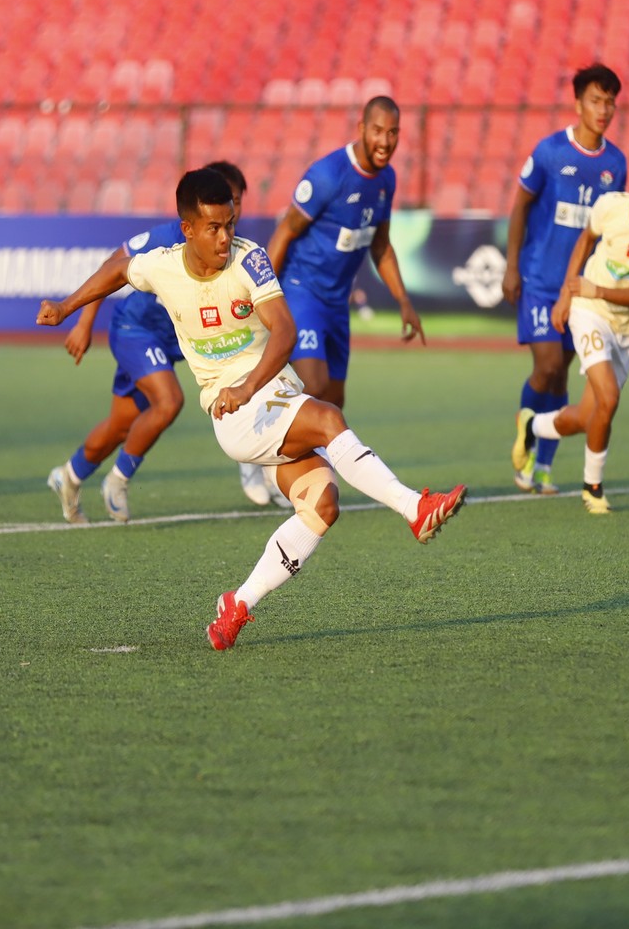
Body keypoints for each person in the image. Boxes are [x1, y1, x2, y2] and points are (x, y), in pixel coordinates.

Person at [37, 167, 466, 651]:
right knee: (328, 418)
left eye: (230, 224)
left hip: (266, 396)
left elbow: (283, 331)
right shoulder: (162, 266)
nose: (225, 237)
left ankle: (235, 607)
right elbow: (119, 269)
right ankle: (414, 508)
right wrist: (67, 306)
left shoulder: (250, 260)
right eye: (214, 228)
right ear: (188, 230)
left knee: (322, 505)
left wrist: (251, 385)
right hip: (236, 413)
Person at [48, 161, 288, 523]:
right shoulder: (170, 238)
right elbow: (115, 266)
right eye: (221, 202)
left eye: (235, 202)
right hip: (137, 329)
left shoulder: (233, 251)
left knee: (121, 425)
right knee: (169, 400)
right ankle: (118, 480)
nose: (228, 212)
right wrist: (82, 320)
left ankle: (69, 476)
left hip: (173, 345)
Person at [512, 144, 629, 514]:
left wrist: (595, 288)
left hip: (627, 326)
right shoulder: (610, 206)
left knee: (589, 417)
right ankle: (592, 487)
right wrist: (568, 293)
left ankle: (532, 426)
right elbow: (585, 239)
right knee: (609, 398)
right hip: (589, 312)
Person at [501, 64, 629, 495]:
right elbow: (519, 206)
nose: (604, 109)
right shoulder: (551, 152)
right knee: (548, 366)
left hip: (581, 290)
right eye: (596, 100)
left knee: (563, 375)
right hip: (539, 281)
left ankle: (542, 465)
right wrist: (511, 265)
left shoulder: (616, 164)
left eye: (610, 101)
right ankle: (526, 432)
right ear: (578, 104)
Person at [265, 95, 425, 408]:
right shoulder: (328, 175)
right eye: (378, 131)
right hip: (303, 292)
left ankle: (317, 457)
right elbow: (285, 232)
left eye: (392, 132)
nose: (385, 141)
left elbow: (381, 245)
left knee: (335, 402)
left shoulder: (386, 179)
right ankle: (267, 447)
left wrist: (404, 301)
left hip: (338, 304)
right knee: (314, 385)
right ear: (362, 128)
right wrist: (265, 296)